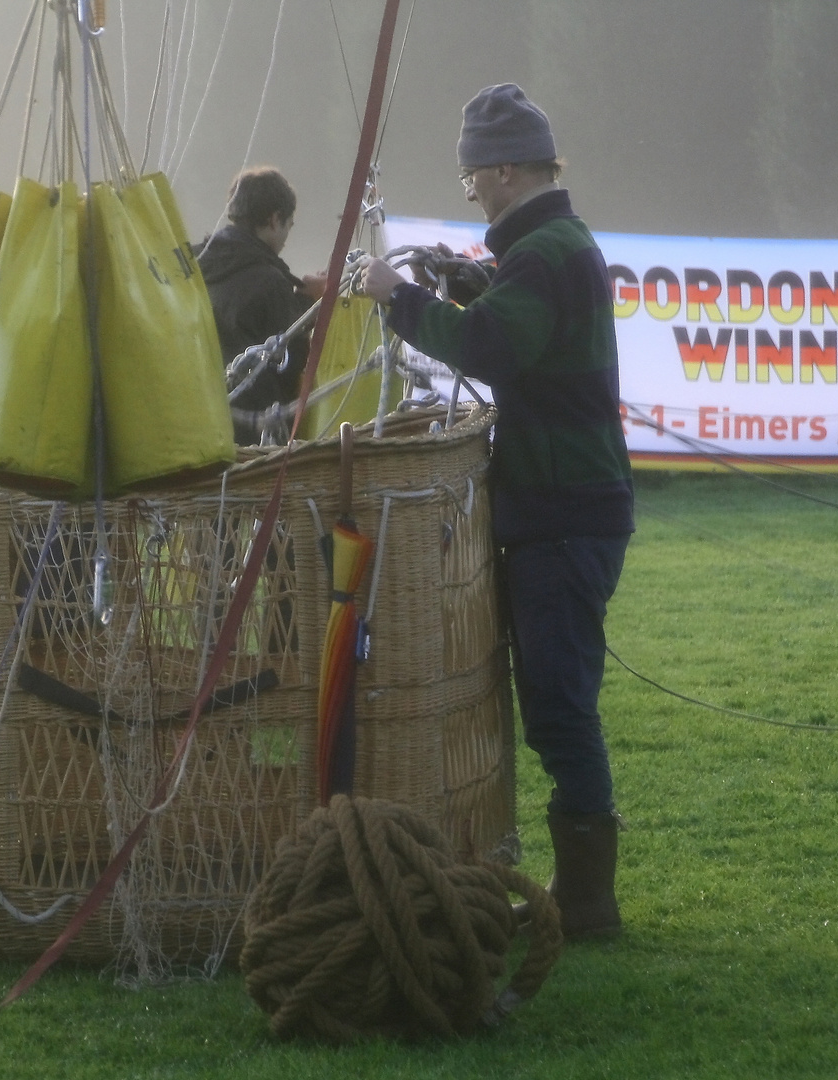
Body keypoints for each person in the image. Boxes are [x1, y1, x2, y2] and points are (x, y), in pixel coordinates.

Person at [361, 84, 635, 939]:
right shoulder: (553, 245)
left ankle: (588, 905)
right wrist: (470, 277)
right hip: (567, 508)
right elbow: (517, 316)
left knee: (557, 703)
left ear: (505, 169)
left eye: (473, 174)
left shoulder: (546, 253)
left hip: (562, 515)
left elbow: (489, 345)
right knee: (556, 696)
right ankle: (581, 891)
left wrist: (397, 299)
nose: (469, 189)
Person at [195, 167, 326, 444]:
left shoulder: (198, 263)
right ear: (275, 219)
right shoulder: (270, 281)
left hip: (204, 420)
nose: (286, 239)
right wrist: (309, 302)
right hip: (253, 432)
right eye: (289, 226)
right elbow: (289, 361)